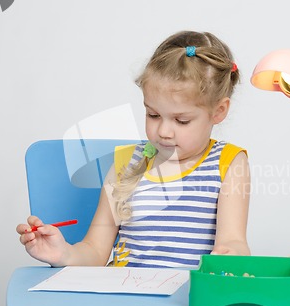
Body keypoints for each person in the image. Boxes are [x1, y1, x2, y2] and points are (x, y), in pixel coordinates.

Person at [17, 30, 251, 268]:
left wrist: (233, 256)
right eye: (153, 115)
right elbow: (95, 250)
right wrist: (64, 254)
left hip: (189, 300)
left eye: (181, 121)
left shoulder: (229, 163)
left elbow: (232, 241)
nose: (164, 131)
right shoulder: (126, 163)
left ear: (219, 111)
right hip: (125, 297)